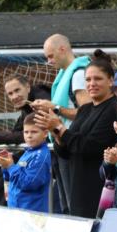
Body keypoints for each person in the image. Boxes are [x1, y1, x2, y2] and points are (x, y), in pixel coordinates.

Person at [35, 50, 117, 219]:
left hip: (100, 188)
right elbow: (66, 150)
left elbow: (90, 147)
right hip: (78, 186)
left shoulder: (114, 109)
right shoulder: (85, 109)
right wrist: (55, 130)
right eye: (88, 79)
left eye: (98, 79)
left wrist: (60, 128)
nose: (91, 84)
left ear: (111, 80)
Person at [34, 34, 91, 213]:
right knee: (66, 205)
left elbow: (86, 113)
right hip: (62, 145)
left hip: (72, 145)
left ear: (62, 49)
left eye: (51, 56)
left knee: (73, 206)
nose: (49, 61)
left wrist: (55, 108)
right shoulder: (64, 74)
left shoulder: (78, 74)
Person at [0, 114, 52, 212]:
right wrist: (5, 166)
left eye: (34, 132)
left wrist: (11, 166)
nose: (29, 135)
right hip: (17, 209)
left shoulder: (41, 155)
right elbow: (11, 179)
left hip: (31, 213)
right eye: (26, 132)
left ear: (45, 133)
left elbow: (28, 183)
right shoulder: (28, 152)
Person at [0, 75, 50, 147]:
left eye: (17, 90)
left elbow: (32, 134)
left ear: (28, 87)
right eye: (10, 94)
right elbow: (16, 132)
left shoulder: (41, 101)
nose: (14, 97)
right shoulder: (26, 105)